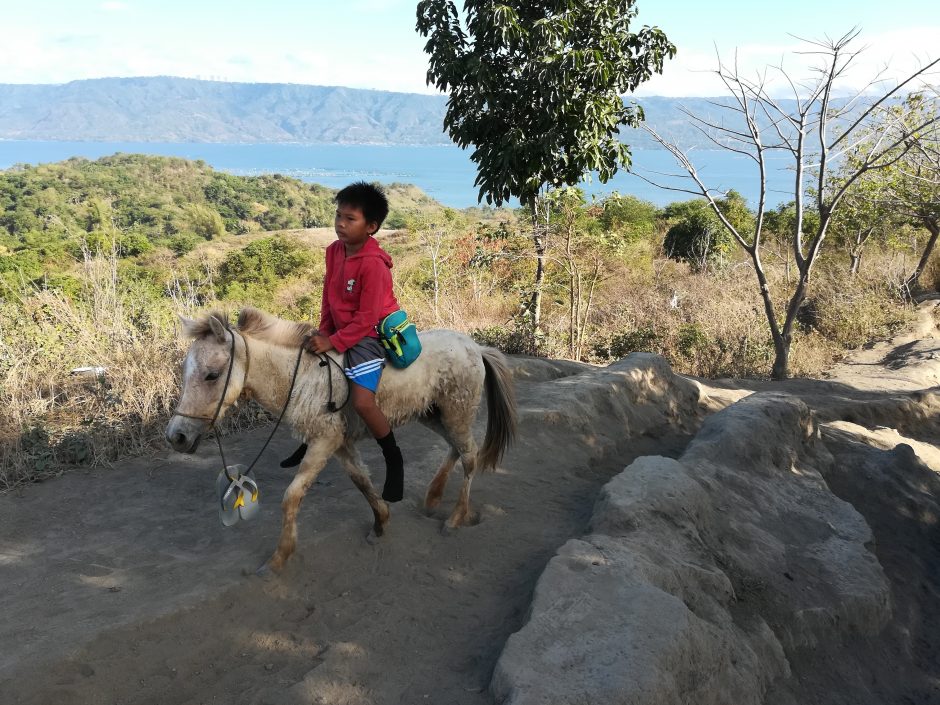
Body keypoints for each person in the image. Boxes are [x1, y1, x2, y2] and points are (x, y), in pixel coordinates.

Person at [280, 182, 404, 502]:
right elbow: (329, 297)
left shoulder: (374, 265)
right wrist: (323, 333)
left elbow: (366, 318)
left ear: (371, 227)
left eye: (350, 219)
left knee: (362, 401)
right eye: (338, 216)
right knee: (310, 371)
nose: (340, 224)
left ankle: (394, 459)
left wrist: (334, 341)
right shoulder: (334, 251)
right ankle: (311, 437)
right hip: (339, 329)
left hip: (368, 335)